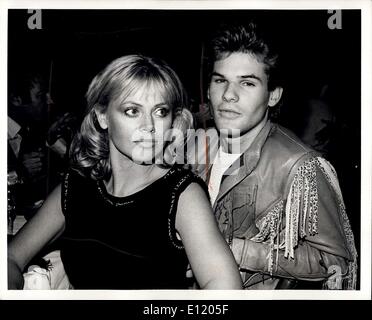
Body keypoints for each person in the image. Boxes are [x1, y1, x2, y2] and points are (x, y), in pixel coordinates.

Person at [8, 54, 242, 290]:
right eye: (132, 111)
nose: (149, 126)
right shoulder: (76, 187)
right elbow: (10, 258)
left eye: (160, 111)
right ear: (102, 116)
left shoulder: (182, 195)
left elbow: (225, 288)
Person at [194, 22, 357, 289]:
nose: (228, 95)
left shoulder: (301, 166)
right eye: (220, 80)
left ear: (273, 95)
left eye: (247, 83)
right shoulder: (196, 146)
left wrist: (238, 251)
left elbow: (338, 265)